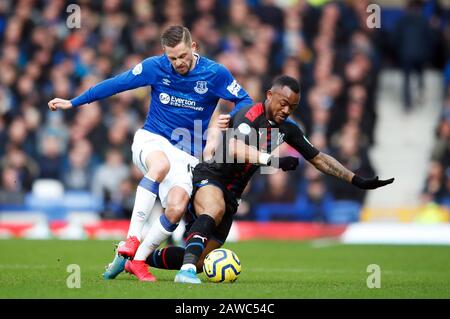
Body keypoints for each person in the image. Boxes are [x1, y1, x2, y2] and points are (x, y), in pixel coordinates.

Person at [116, 75, 393, 283]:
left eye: (292, 107)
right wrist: (273, 160)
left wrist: (357, 180)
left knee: (205, 260)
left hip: (233, 194)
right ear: (270, 95)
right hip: (210, 176)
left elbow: (319, 158)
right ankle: (185, 271)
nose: (286, 110)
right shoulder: (247, 114)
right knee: (213, 210)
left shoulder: (288, 130)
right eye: (283, 103)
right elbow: (236, 147)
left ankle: (138, 257)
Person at [48, 25, 253, 281]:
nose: (178, 62)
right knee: (160, 166)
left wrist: (230, 117)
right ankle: (132, 238)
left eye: (182, 56)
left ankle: (137, 260)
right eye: (172, 58)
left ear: (194, 47)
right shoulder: (155, 67)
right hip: (152, 139)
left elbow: (245, 100)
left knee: (176, 209)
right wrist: (73, 102)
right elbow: (116, 84)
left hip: (188, 154)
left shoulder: (215, 73)